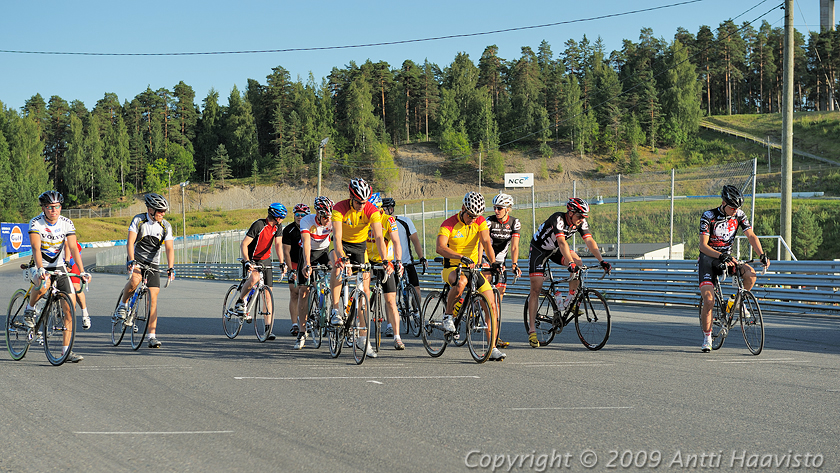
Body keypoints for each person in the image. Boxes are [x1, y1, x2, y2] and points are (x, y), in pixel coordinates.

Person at [526, 197, 611, 348]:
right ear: (570, 213)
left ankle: (570, 301)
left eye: (584, 217)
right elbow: (562, 242)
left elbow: (589, 241)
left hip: (556, 250)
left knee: (579, 263)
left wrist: (601, 261)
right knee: (536, 289)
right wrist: (569, 263)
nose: (582, 219)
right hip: (539, 250)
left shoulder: (580, 222)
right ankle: (532, 331)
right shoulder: (558, 218)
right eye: (579, 216)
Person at [698, 185, 769, 353]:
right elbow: (703, 246)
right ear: (723, 203)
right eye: (732, 207)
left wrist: (761, 254)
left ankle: (734, 302)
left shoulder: (739, 215)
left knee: (750, 274)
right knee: (709, 300)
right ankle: (707, 337)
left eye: (738, 207)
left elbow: (751, 235)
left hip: (728, 258)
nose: (735, 210)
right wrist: (720, 255)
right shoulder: (709, 216)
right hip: (709, 258)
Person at [436, 191, 506, 361]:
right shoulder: (449, 224)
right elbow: (440, 247)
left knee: (491, 305)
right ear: (463, 208)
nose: (473, 219)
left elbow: (486, 242)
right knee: (460, 283)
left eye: (476, 217)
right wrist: (459, 256)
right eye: (470, 216)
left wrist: (494, 262)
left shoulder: (480, 221)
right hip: (452, 267)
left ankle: (492, 347)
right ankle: (448, 316)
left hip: (473, 269)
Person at [329, 178, 390, 359]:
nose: (361, 206)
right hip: (342, 245)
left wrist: (385, 260)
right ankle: (335, 310)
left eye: (364, 202)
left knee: (364, 295)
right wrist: (341, 257)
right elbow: (337, 237)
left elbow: (379, 237)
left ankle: (363, 340)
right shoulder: (339, 208)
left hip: (360, 247)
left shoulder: (371, 210)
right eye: (358, 202)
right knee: (338, 268)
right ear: (351, 197)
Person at [26, 190, 88, 363]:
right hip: (40, 264)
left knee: (70, 308)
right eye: (50, 207)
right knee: (44, 285)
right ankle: (30, 309)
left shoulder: (66, 223)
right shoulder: (36, 223)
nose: (54, 210)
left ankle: (66, 351)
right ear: (43, 208)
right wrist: (40, 269)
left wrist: (82, 271)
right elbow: (36, 248)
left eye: (57, 206)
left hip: (59, 266)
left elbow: (73, 248)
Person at [115, 193, 175, 348]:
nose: (163, 214)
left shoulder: (166, 226)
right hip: (136, 259)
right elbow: (130, 242)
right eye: (160, 211)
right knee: (135, 280)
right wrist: (131, 260)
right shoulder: (139, 220)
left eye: (164, 211)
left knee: (153, 299)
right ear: (150, 210)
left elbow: (169, 248)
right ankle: (123, 305)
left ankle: (151, 337)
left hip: (153, 263)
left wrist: (170, 267)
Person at [234, 203, 288, 341]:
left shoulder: (278, 227)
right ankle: (240, 301)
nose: (282, 220)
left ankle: (268, 329)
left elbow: (278, 245)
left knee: (268, 295)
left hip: (265, 259)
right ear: (276, 217)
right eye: (281, 217)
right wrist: (247, 261)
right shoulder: (259, 224)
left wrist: (282, 262)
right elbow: (244, 244)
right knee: (254, 278)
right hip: (251, 258)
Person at [480, 192, 522, 349]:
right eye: (495, 208)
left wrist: (514, 264)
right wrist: (480, 261)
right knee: (486, 299)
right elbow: (482, 242)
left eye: (499, 208)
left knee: (496, 305)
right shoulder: (489, 221)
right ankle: (475, 304)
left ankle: (495, 337)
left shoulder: (514, 223)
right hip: (486, 259)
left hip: (501, 263)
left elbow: (515, 246)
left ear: (508, 209)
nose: (496, 211)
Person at [295, 196, 335, 350]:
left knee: (335, 276)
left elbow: (338, 240)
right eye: (325, 217)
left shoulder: (332, 220)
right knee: (303, 291)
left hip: (324, 251)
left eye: (329, 217)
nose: (327, 220)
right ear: (318, 214)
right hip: (308, 252)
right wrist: (307, 264)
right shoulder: (307, 220)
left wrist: (334, 260)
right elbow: (306, 243)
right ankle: (302, 332)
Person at [366, 193, 404, 350]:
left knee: (390, 300)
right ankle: (355, 328)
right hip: (367, 260)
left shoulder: (388, 220)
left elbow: (396, 241)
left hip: (384, 262)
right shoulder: (364, 219)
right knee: (363, 297)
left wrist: (398, 261)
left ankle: (397, 337)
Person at [383, 197, 427, 320]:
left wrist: (421, 257)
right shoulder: (380, 223)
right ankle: (389, 324)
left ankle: (416, 311)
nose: (382, 211)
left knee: (417, 290)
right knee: (390, 296)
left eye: (384, 209)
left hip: (407, 262)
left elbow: (415, 241)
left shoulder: (405, 221)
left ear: (391, 209)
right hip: (391, 264)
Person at [283, 203, 309, 337]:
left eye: (302, 215)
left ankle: (308, 320)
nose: (299, 217)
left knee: (307, 292)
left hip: (307, 262)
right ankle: (294, 324)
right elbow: (286, 252)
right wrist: (290, 270)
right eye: (297, 215)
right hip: (294, 262)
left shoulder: (311, 227)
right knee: (294, 293)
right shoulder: (289, 230)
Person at [65, 240, 91, 330]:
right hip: (57, 258)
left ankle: (85, 314)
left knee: (75, 287)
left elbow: (67, 243)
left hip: (72, 256)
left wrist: (67, 262)